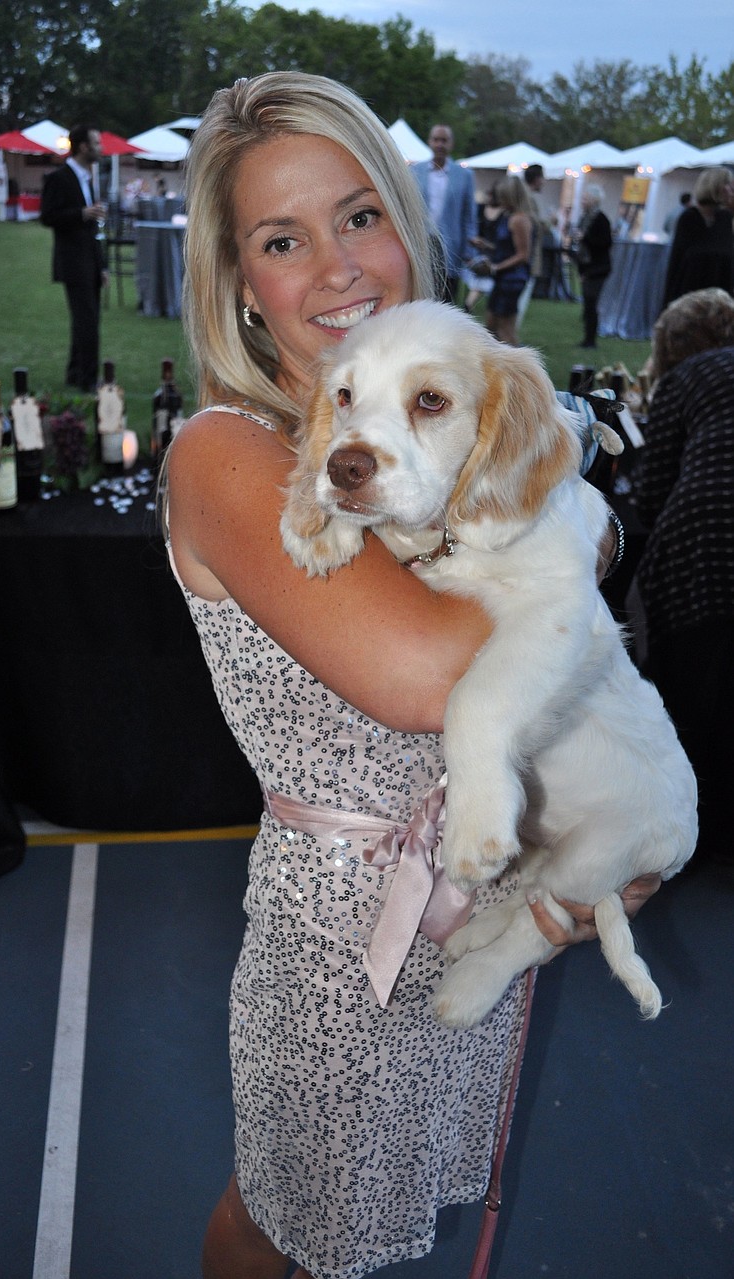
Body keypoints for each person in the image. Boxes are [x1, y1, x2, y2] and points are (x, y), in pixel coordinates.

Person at [166, 71, 660, 1279]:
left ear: (406, 221)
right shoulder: (230, 455)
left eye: (358, 216)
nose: (335, 266)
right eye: (283, 239)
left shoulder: (421, 428)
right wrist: (567, 511)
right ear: (240, 282)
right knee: (286, 1225)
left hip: (480, 898)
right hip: (349, 946)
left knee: (369, 1215)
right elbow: (436, 673)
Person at [630, 287, 734, 872]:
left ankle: (689, 833)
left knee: (694, 690)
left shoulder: (685, 379)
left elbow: (653, 484)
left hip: (710, 533)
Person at [40, 124, 107, 393]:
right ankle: (89, 379)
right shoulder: (59, 177)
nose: (101, 148)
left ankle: (75, 372)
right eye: (97, 143)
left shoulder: (88, 178)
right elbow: (47, 216)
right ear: (83, 147)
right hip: (73, 262)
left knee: (87, 320)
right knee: (87, 322)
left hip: (90, 261)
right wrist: (81, 213)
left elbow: (93, 230)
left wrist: (102, 266)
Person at [411, 123, 477, 304]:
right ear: (429, 142)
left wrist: (469, 250)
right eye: (436, 139)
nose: (440, 144)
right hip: (421, 241)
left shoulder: (464, 175)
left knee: (446, 298)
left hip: (450, 245)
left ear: (451, 144)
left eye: (444, 140)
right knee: (419, 294)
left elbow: (469, 216)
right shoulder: (415, 171)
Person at [661, 166, 734, 309]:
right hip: (691, 295)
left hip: (720, 297)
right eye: (728, 186)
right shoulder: (690, 218)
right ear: (717, 187)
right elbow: (678, 261)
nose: (731, 190)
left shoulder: (725, 219)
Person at [476, 173, 532, 346]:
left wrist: (495, 267)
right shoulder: (510, 217)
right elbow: (508, 248)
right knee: (491, 326)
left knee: (505, 330)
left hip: (512, 279)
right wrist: (486, 245)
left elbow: (523, 255)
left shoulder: (519, 220)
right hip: (503, 278)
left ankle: (518, 369)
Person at [574, 184, 612, 348]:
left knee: (591, 302)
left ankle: (590, 340)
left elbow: (605, 243)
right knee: (588, 303)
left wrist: (585, 237)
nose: (582, 201)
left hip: (597, 269)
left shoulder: (600, 219)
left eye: (585, 198)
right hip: (588, 268)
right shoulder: (586, 217)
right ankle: (588, 338)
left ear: (594, 200)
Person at [517, 162, 551, 323]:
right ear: (536, 179)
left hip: (524, 255)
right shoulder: (529, 198)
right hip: (527, 256)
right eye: (542, 178)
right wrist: (550, 222)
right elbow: (536, 225)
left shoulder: (524, 196)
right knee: (520, 299)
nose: (544, 182)